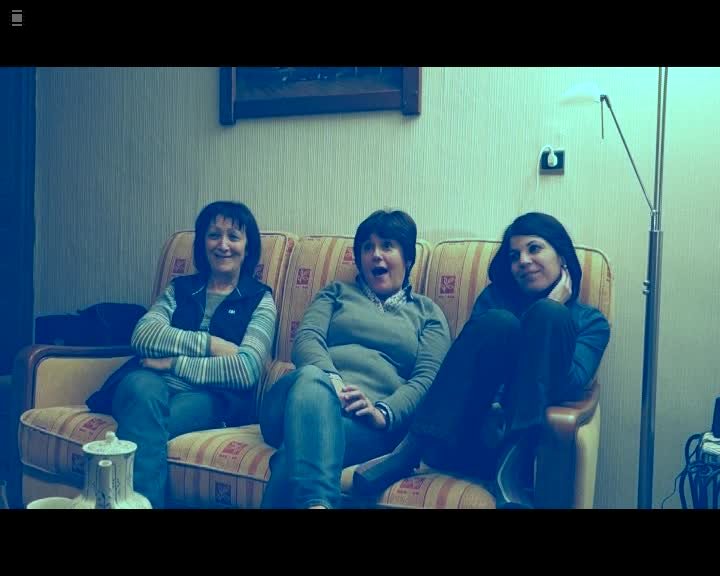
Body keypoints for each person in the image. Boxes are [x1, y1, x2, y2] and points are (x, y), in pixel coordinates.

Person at [353, 212, 611, 508]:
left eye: (534, 249)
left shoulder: (592, 323)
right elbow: (468, 367)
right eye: (514, 256)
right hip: (469, 432)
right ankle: (410, 450)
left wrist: (549, 312)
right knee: (500, 322)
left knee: (549, 315)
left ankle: (510, 469)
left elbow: (572, 384)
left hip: (531, 447)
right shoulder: (494, 300)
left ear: (562, 257)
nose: (523, 261)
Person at [88, 201, 277, 508]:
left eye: (233, 236)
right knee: (140, 387)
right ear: (202, 243)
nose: (223, 245)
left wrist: (172, 363)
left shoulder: (260, 299)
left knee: (145, 419)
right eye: (214, 235)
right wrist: (210, 345)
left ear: (248, 247)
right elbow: (143, 335)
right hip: (150, 385)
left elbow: (245, 370)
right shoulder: (180, 289)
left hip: (210, 398)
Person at [258, 209, 451, 509]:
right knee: (312, 377)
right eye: (367, 247)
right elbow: (307, 339)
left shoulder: (428, 314)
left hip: (364, 424)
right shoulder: (335, 293)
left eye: (387, 245)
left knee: (292, 456)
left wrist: (383, 413)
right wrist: (333, 384)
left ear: (408, 259)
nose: (376, 255)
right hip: (295, 400)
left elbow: (427, 379)